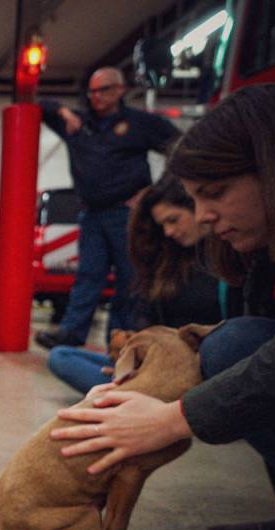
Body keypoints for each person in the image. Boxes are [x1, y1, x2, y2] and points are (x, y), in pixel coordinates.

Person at [50, 84, 275, 530]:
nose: (204, 216)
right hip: (169, 360)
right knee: (234, 343)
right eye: (195, 199)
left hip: (184, 370)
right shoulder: (263, 250)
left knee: (233, 346)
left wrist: (171, 417)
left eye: (215, 193)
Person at [46, 174, 240, 394]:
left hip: (197, 369)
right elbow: (148, 318)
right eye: (162, 225)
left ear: (195, 208)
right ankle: (129, 390)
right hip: (154, 360)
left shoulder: (225, 262)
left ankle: (130, 394)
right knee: (62, 356)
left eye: (173, 220)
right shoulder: (169, 260)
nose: (168, 232)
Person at [33, 67, 180, 350]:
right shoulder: (79, 123)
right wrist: (64, 113)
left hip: (128, 214)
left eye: (102, 90)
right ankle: (71, 333)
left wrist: (157, 191)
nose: (96, 97)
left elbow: (181, 147)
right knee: (88, 276)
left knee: (130, 278)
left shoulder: (139, 123)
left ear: (120, 90)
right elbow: (38, 103)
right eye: (91, 91)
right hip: (91, 214)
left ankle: (120, 339)